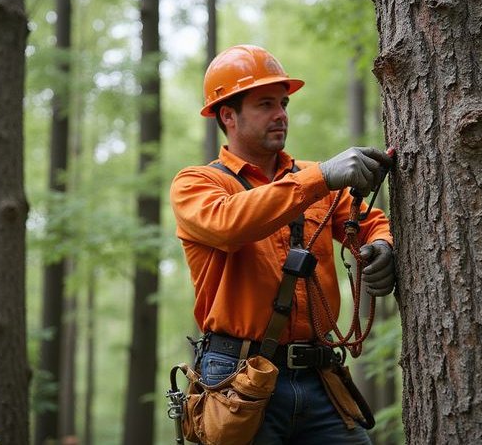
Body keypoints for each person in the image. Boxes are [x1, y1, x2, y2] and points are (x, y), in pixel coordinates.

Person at [169, 44, 395, 444]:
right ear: (228, 115)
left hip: (320, 374)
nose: (281, 114)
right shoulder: (197, 183)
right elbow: (229, 224)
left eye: (283, 103)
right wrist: (320, 178)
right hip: (237, 376)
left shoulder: (313, 179)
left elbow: (370, 223)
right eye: (265, 104)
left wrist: (382, 247)